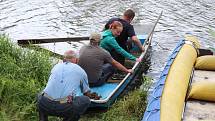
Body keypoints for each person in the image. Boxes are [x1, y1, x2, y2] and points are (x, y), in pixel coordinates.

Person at [37, 50, 91, 121]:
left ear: (63, 59)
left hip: (44, 105)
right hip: (64, 108)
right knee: (86, 100)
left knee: (41, 94)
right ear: (77, 60)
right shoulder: (81, 71)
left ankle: (43, 119)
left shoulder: (55, 66)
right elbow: (86, 93)